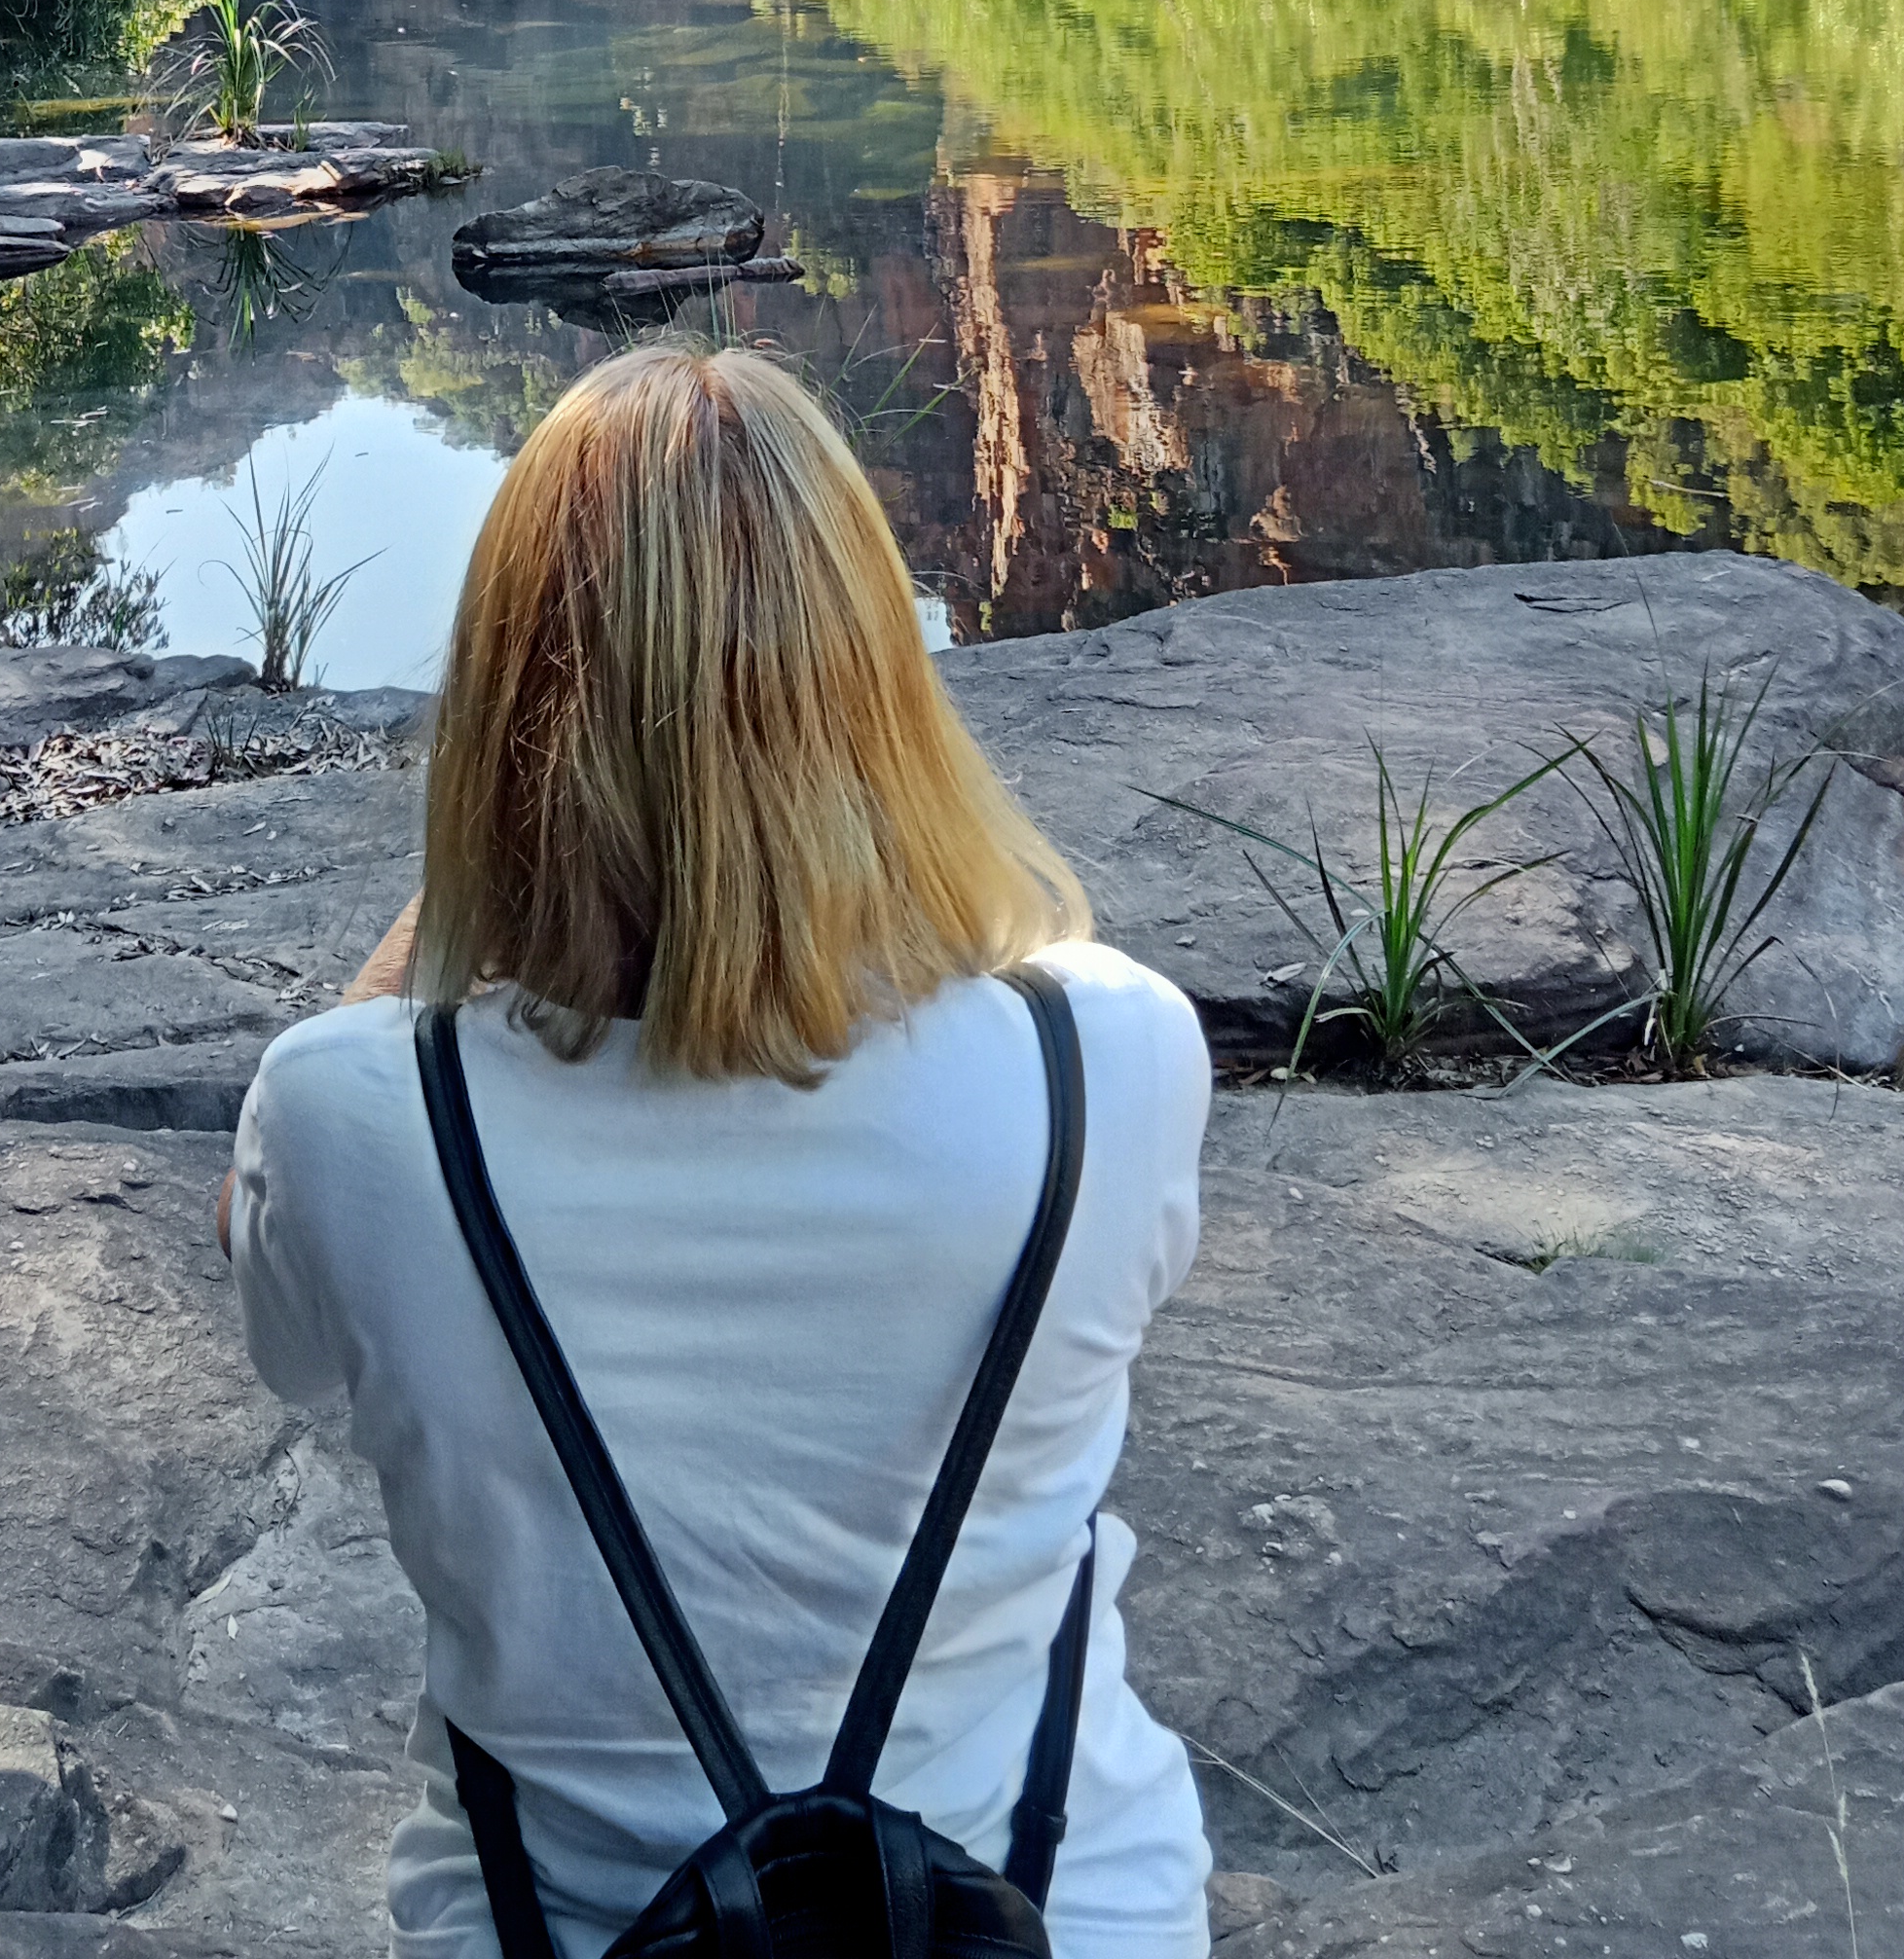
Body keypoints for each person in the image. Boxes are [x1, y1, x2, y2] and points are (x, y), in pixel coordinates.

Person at [223, 343, 1213, 1957]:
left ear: (504, 709)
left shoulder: (362, 1122)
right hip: (1058, 1909)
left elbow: (272, 1321)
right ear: (878, 684)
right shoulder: (1106, 1059)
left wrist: (466, 893)